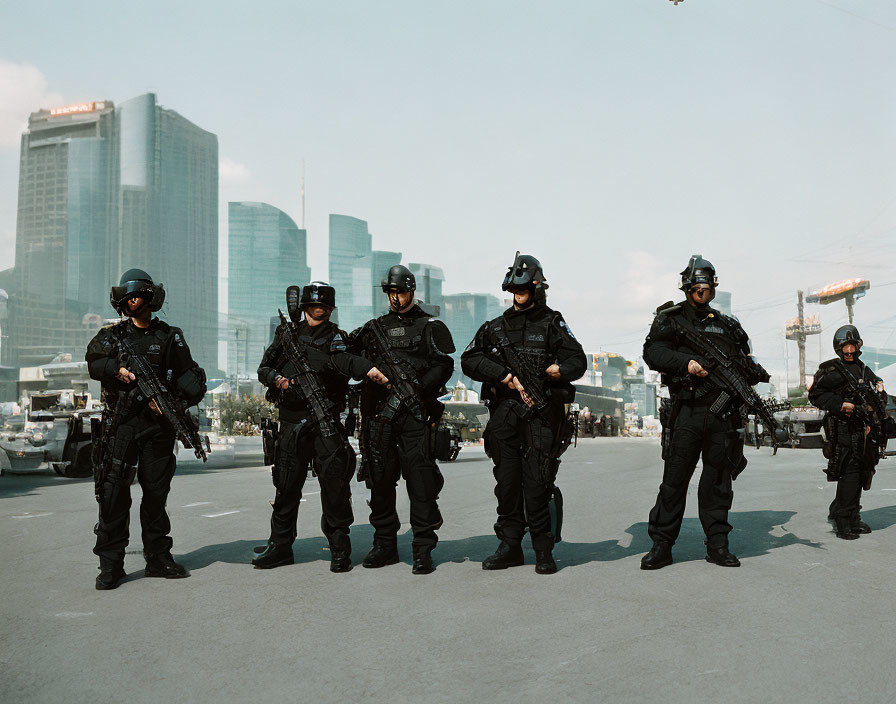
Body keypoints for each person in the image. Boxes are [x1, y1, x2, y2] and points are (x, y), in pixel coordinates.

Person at [640, 255, 770, 570]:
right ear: (687, 286)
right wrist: (687, 363)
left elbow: (746, 361)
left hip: (721, 416)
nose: (702, 289)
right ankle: (661, 545)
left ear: (713, 287)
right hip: (686, 409)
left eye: (707, 284)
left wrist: (750, 376)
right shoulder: (670, 319)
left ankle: (718, 545)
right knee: (674, 481)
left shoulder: (727, 325)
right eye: (697, 284)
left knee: (717, 483)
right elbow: (652, 352)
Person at [461, 253, 586, 574]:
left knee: (538, 482)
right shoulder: (495, 328)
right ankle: (510, 545)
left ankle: (543, 550)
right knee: (506, 482)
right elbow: (470, 360)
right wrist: (501, 375)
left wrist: (558, 370)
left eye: (524, 290)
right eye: (514, 290)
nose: (518, 296)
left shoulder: (553, 323)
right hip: (505, 414)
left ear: (536, 288)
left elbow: (578, 361)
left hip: (543, 415)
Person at [86, 269, 207, 590]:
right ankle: (111, 564)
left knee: (155, 494)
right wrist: (117, 369)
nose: (130, 302)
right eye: (126, 298)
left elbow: (191, 376)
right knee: (113, 496)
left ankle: (157, 558)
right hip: (121, 426)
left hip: (157, 427)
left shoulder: (169, 336)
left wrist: (175, 401)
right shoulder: (112, 335)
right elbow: (93, 362)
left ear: (149, 298)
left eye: (135, 296)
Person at [252, 282, 374, 571]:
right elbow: (264, 369)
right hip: (292, 421)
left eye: (323, 307)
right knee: (286, 486)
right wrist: (279, 381)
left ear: (330, 309)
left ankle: (339, 548)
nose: (319, 310)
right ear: (305, 307)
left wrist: (363, 368)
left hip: (325, 423)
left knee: (334, 486)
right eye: (314, 306)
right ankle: (280, 546)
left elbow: (344, 365)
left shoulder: (337, 339)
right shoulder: (286, 335)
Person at [350, 265, 455, 575]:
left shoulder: (429, 326)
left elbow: (445, 365)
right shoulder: (372, 329)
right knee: (379, 482)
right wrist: (366, 369)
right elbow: (342, 355)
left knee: (420, 484)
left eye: (402, 292)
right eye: (392, 293)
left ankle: (423, 548)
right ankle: (384, 545)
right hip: (379, 418)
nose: (397, 298)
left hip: (414, 416)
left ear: (412, 291)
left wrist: (420, 388)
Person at [808, 325, 892, 539]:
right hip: (844, 427)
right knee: (850, 472)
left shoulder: (863, 369)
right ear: (839, 348)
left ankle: (852, 516)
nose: (850, 350)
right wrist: (841, 404)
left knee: (863, 471)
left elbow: (877, 388)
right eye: (845, 346)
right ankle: (843, 520)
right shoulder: (831, 370)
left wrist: (879, 394)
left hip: (864, 428)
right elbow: (815, 395)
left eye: (852, 345)